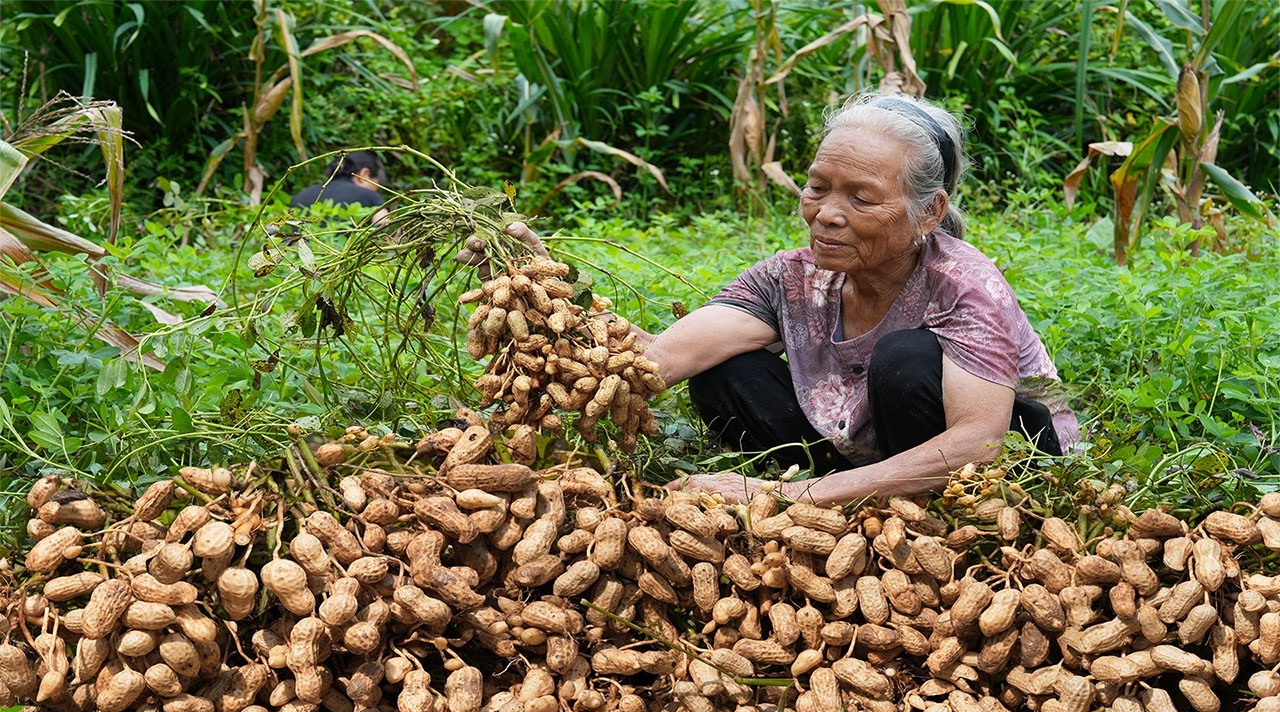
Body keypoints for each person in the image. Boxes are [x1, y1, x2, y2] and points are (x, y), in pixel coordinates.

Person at [482, 91, 1079, 507]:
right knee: (725, 372)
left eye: (862, 200)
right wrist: (540, 278)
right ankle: (855, 494)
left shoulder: (965, 285)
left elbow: (980, 442)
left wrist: (785, 496)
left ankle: (862, 497)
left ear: (929, 211)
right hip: (861, 446)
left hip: (1005, 459)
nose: (827, 215)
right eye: (817, 188)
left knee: (905, 360)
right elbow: (650, 362)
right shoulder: (790, 278)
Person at [290, 151, 388, 211]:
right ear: (364, 174)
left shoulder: (300, 197)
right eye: (376, 188)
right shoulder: (370, 196)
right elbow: (383, 224)